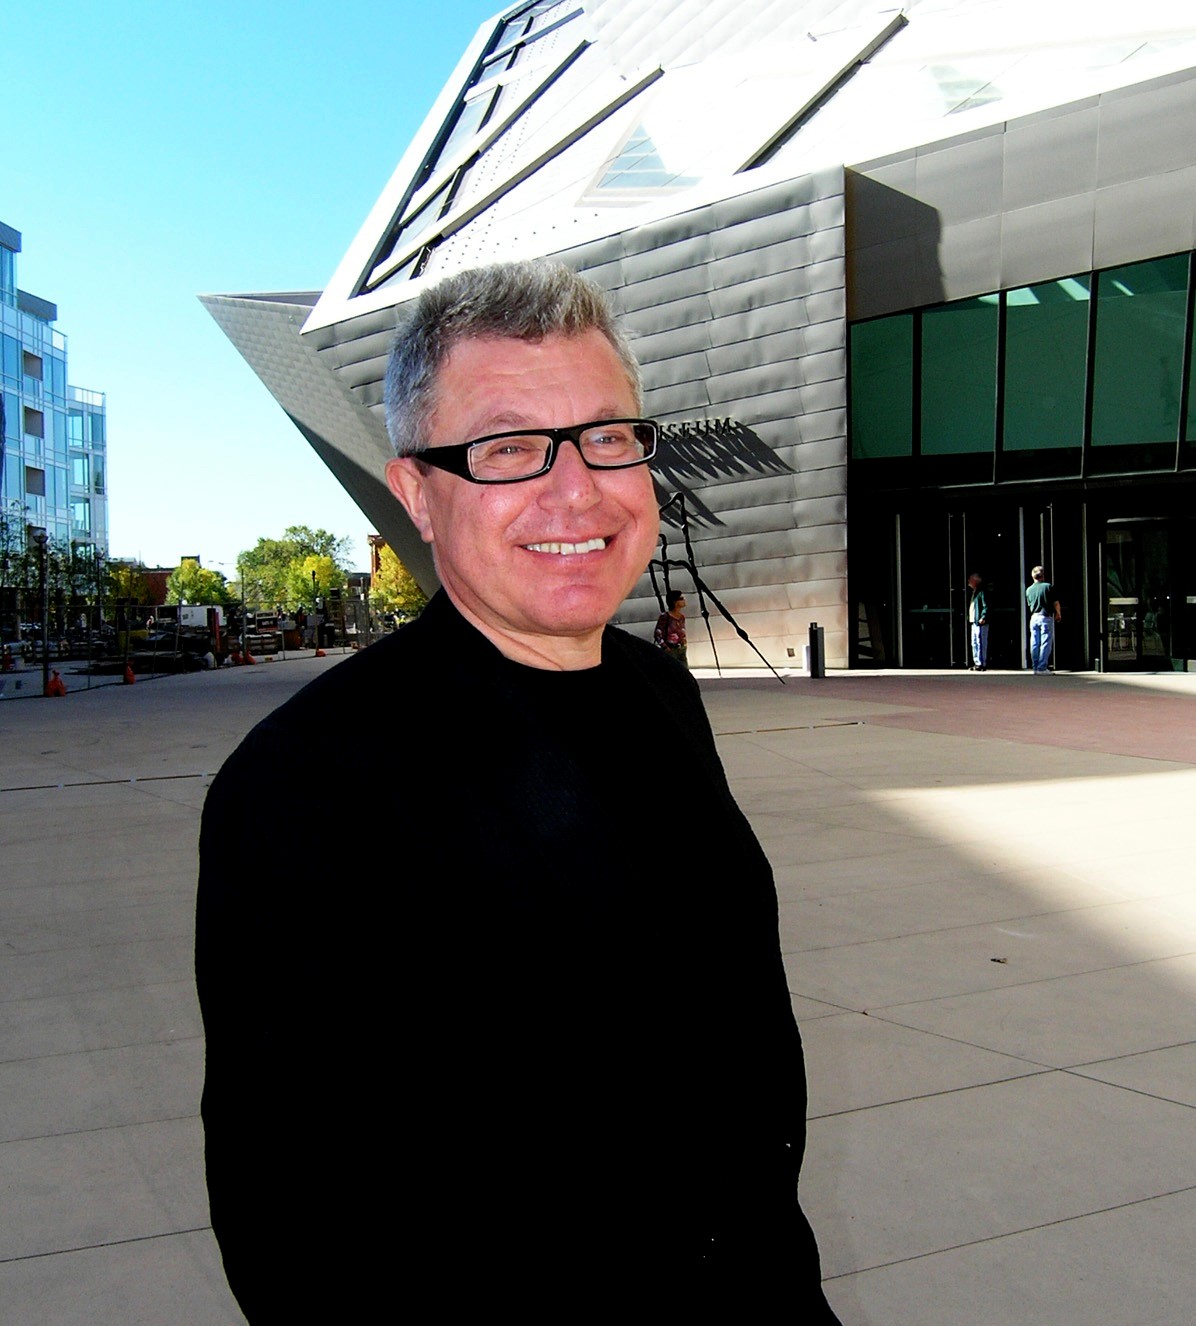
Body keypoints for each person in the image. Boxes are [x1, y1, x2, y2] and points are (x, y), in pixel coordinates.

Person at [195, 261, 840, 1323]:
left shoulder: (658, 693)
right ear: (417, 495)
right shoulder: (305, 783)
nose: (576, 488)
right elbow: (291, 1231)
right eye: (506, 449)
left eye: (606, 436)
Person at [1026, 565, 1061, 673]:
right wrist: (1058, 613)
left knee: (1034, 642)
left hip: (1034, 617)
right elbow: (1055, 602)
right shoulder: (1048, 586)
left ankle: (1035, 667)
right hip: (1045, 616)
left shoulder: (1029, 590)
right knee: (1045, 642)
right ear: (1043, 575)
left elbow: (1029, 604)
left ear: (1033, 576)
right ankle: (1042, 667)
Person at [654, 587, 688, 666]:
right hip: (671, 649)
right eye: (681, 598)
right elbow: (658, 633)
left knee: (684, 672)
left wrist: (684, 643)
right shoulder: (665, 616)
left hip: (681, 648)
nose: (684, 600)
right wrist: (665, 647)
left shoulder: (682, 617)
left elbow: (682, 630)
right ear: (675, 602)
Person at [967, 572, 988, 671]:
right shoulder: (974, 592)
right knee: (974, 642)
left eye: (970, 579)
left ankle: (982, 663)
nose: (969, 581)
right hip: (974, 621)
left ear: (976, 580)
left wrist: (983, 616)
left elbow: (985, 605)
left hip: (980, 621)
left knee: (981, 642)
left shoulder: (981, 592)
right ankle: (977, 662)